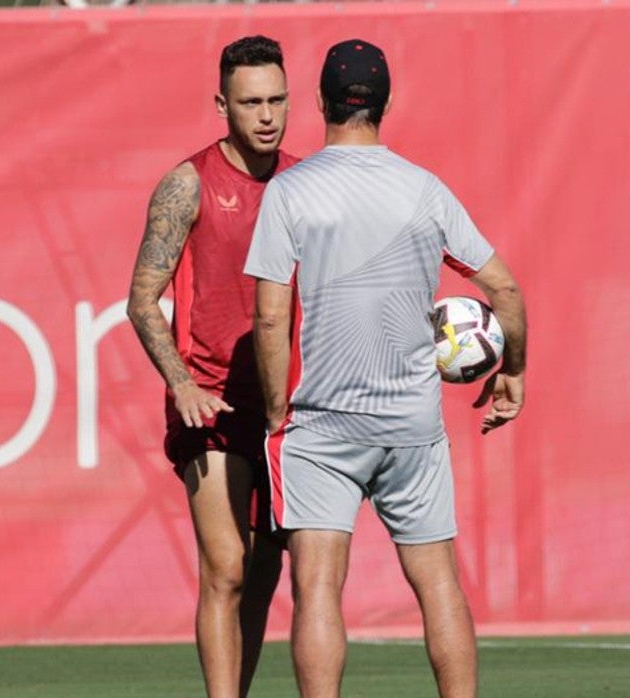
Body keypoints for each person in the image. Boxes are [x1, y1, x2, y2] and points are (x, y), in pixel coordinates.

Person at [244, 39, 527, 698]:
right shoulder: (423, 189)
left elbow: (268, 318)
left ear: (318, 101)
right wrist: (513, 369)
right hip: (410, 426)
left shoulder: (290, 191)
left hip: (323, 424)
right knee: (439, 585)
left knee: (317, 588)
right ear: (385, 103)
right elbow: (505, 291)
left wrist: (277, 410)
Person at [126, 35, 299, 698]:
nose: (266, 115)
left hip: (286, 406)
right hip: (212, 404)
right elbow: (143, 299)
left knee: (263, 572)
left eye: (276, 100)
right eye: (251, 101)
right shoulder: (187, 183)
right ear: (221, 104)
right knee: (227, 565)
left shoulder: (308, 182)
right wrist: (181, 383)